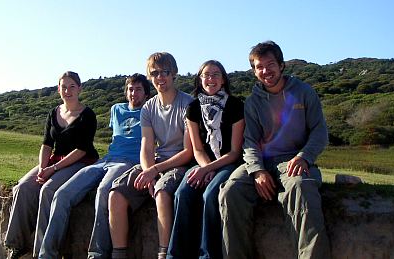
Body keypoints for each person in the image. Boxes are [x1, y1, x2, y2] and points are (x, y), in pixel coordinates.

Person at [218, 41, 331, 259]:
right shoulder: (252, 102)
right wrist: (258, 171)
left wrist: (304, 157)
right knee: (230, 192)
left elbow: (319, 131)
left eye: (270, 65)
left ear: (281, 65)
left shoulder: (304, 92)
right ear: (254, 71)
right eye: (259, 67)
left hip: (293, 160)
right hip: (261, 161)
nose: (265, 71)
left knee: (301, 188)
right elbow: (249, 141)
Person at [38, 74, 151, 258]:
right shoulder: (116, 109)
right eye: (130, 89)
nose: (133, 93)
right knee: (62, 194)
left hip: (128, 162)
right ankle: (47, 254)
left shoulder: (150, 111)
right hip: (105, 160)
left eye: (139, 89)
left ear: (146, 94)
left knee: (103, 192)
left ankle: (97, 253)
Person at [4, 71, 99, 259]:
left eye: (72, 86)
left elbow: (81, 149)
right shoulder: (53, 112)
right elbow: (47, 144)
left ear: (80, 88)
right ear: (58, 89)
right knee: (23, 187)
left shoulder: (87, 115)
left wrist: (52, 169)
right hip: (55, 159)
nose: (67, 90)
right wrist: (41, 167)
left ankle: (43, 252)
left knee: (48, 190)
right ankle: (16, 245)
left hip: (80, 161)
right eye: (63, 86)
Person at [108, 52, 194, 259]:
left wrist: (154, 172)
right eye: (154, 73)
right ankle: (118, 253)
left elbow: (188, 151)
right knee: (116, 194)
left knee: (162, 192)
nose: (160, 78)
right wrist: (148, 172)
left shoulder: (188, 104)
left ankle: (164, 253)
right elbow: (147, 146)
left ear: (174, 74)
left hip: (181, 163)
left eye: (164, 72)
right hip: (156, 162)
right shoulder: (149, 107)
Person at [167, 60, 244, 259]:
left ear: (223, 79)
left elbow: (235, 152)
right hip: (202, 163)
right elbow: (197, 148)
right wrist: (204, 168)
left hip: (228, 163)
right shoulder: (193, 108)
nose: (211, 79)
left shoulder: (235, 106)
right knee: (182, 193)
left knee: (210, 195)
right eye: (206, 75)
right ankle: (176, 255)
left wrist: (210, 168)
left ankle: (207, 254)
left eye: (216, 74)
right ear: (200, 79)